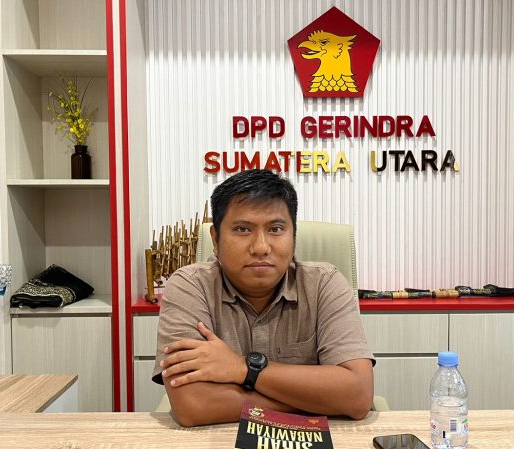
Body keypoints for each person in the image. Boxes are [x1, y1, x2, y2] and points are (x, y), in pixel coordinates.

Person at [153, 169, 374, 427]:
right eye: (242, 229)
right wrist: (316, 400)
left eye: (276, 229)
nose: (260, 247)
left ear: (294, 237)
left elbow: (357, 394)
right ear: (215, 238)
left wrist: (242, 368)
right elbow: (193, 405)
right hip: (216, 443)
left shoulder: (324, 284)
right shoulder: (190, 286)